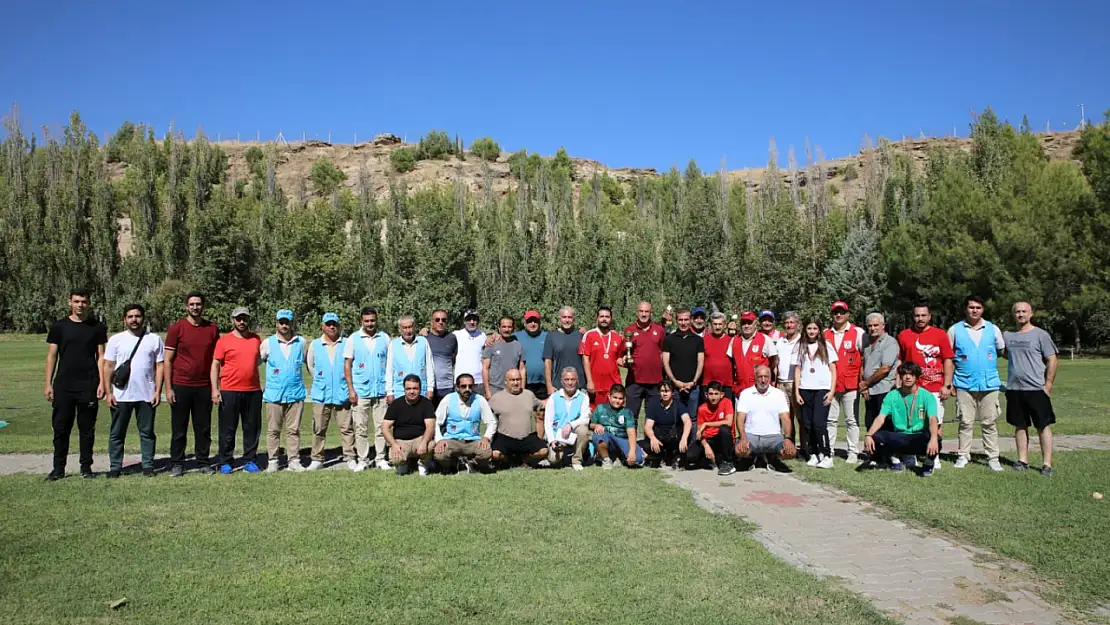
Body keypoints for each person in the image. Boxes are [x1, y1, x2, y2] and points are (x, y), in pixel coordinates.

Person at [44, 289, 108, 481]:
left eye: (84, 302)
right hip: (63, 386)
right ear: (70, 302)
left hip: (88, 385)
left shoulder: (97, 327)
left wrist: (102, 383)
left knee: (87, 429)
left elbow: (101, 357)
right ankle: (58, 468)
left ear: (89, 303)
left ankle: (86, 468)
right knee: (61, 428)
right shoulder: (59, 327)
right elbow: (52, 356)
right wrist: (48, 383)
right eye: (77, 301)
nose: (80, 305)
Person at [102, 304, 165, 478]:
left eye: (137, 316)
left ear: (143, 318)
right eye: (130, 316)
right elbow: (108, 366)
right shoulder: (116, 340)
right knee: (117, 433)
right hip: (121, 394)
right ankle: (115, 467)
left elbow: (160, 366)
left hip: (146, 394)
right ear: (124, 319)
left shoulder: (154, 339)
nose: (134, 320)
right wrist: (108, 392)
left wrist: (157, 391)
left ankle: (148, 465)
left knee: (147, 432)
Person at [164, 291, 219, 477]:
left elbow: (215, 360)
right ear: (186, 307)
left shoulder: (212, 328)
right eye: (192, 304)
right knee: (179, 428)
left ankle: (203, 462)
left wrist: (215, 387)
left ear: (203, 306)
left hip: (204, 386)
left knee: (202, 428)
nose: (195, 307)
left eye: (198, 304)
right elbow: (168, 360)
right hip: (181, 385)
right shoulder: (177, 328)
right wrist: (169, 388)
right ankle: (177, 463)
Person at [947, 295, 1005, 472]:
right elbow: (948, 357)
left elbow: (1000, 350)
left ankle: (993, 457)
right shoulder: (955, 330)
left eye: (978, 307)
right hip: (964, 383)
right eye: (971, 307)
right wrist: (949, 383)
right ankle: (963, 455)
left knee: (989, 422)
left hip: (989, 384)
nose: (974, 310)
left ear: (983, 309)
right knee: (965, 422)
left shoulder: (993, 329)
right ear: (966, 309)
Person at [897, 302, 954, 470]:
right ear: (912, 317)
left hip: (935, 387)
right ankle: (911, 455)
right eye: (917, 315)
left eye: (923, 315)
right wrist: (898, 382)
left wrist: (947, 385)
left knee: (935, 422)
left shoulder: (940, 335)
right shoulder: (904, 335)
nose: (920, 318)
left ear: (929, 316)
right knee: (911, 422)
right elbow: (900, 360)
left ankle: (933, 456)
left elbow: (948, 360)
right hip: (911, 388)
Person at [1003, 302, 1058, 476]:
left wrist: (1048, 385)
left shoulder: (1041, 335)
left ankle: (1046, 464)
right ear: (1013, 315)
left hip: (1036, 389)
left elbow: (1052, 359)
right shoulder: (1007, 335)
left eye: (1024, 311)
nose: (1020, 314)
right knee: (1020, 426)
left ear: (1031, 313)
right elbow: (1002, 353)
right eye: (1017, 312)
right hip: (1014, 388)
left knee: (1043, 426)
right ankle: (1022, 460)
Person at [211, 307, 264, 474]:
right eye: (238, 319)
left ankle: (250, 460)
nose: (242, 322)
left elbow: (259, 361)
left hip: (253, 390)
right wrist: (215, 389)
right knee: (228, 429)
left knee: (252, 428)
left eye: (245, 318)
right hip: (229, 390)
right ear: (232, 320)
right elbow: (215, 365)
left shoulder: (256, 339)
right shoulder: (224, 341)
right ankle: (226, 461)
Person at [863, 362, 940, 475]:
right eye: (904, 374)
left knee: (937, 439)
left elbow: (933, 419)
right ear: (900, 377)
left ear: (917, 377)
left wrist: (933, 438)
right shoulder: (892, 395)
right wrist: (868, 435)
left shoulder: (927, 396)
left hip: (918, 436)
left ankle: (928, 463)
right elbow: (881, 417)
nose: (908, 377)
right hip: (899, 436)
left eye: (911, 374)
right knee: (876, 436)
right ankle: (894, 460)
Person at [344, 307, 391, 471]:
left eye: (372, 320)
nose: (370, 324)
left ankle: (380, 458)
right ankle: (363, 459)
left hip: (381, 390)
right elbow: (347, 365)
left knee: (381, 427)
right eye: (367, 321)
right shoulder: (353, 339)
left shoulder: (384, 338)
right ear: (361, 322)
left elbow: (390, 364)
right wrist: (351, 390)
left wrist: (389, 388)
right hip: (361, 391)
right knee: (360, 427)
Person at [260, 309, 307, 473]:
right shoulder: (267, 343)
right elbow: (257, 362)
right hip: (274, 395)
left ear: (292, 323)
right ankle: (273, 460)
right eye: (281, 322)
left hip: (295, 394)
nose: (284, 325)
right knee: (273, 430)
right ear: (276, 323)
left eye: (287, 322)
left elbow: (309, 362)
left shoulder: (301, 342)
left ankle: (293, 460)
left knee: (293, 430)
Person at [306, 312, 352, 471]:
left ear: (338, 325)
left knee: (347, 428)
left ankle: (350, 456)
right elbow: (310, 366)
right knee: (319, 428)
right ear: (322, 326)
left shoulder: (347, 343)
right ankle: (317, 458)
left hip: (342, 392)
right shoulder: (315, 344)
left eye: (334, 324)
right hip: (322, 394)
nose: (332, 327)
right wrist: (322, 379)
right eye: (328, 324)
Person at [792, 317, 838, 469]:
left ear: (819, 330)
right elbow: (797, 370)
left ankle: (827, 455)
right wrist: (797, 392)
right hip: (805, 389)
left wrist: (831, 391)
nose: (812, 331)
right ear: (805, 329)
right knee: (807, 424)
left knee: (819, 424)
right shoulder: (800, 346)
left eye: (815, 328)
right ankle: (813, 453)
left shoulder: (826, 346)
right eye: (809, 328)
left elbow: (833, 369)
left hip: (822, 389)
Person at [734, 365, 796, 473]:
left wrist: (788, 438)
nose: (763, 380)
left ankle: (772, 457)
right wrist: (743, 438)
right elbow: (740, 418)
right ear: (755, 377)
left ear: (770, 377)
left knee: (791, 453)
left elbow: (786, 419)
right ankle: (752, 457)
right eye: (760, 377)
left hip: (773, 436)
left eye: (766, 377)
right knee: (739, 451)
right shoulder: (745, 394)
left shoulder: (779, 394)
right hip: (751, 435)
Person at [825, 301, 865, 464]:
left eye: (842, 312)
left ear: (848, 314)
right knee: (830, 419)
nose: (838, 315)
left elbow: (865, 356)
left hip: (851, 384)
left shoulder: (858, 332)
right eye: (836, 312)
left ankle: (853, 452)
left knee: (852, 420)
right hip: (831, 384)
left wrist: (863, 381)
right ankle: (829, 449)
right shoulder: (825, 333)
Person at [433, 374, 496, 472]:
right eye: (463, 386)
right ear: (457, 388)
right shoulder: (448, 399)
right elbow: (436, 422)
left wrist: (486, 438)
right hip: (452, 440)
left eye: (470, 386)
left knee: (486, 453)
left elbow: (492, 422)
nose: (467, 389)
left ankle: (470, 464)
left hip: (473, 441)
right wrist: (439, 440)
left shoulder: (480, 400)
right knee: (440, 454)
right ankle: (454, 465)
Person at [489, 369, 548, 468]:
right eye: (512, 380)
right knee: (495, 454)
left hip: (526, 437)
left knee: (544, 451)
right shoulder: (496, 398)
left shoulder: (529, 395)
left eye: (518, 380)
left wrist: (557, 396)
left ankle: (525, 459)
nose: (516, 383)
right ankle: (510, 460)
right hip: (505, 437)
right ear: (506, 382)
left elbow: (541, 406)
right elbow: (485, 416)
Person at [381, 374, 435, 476]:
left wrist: (424, 442)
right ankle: (403, 464)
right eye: (408, 388)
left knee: (431, 444)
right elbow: (384, 427)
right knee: (396, 459)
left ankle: (423, 464)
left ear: (420, 389)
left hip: (419, 439)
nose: (411, 391)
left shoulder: (426, 403)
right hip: (401, 441)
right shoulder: (396, 404)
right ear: (404, 389)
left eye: (415, 388)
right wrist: (393, 444)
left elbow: (430, 426)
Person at [623, 301, 666, 420]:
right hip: (634, 381)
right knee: (631, 417)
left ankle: (649, 439)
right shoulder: (629, 330)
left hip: (655, 381)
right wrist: (625, 359)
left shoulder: (660, 330)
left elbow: (663, 352)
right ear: (637, 313)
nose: (644, 314)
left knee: (652, 417)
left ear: (651, 313)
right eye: (641, 311)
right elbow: (623, 353)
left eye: (646, 311)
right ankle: (631, 439)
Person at [543, 367, 592, 471]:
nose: (570, 383)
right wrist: (552, 440)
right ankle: (558, 454)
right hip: (557, 435)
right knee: (554, 460)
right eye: (567, 380)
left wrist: (570, 425)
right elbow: (548, 421)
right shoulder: (553, 397)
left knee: (583, 430)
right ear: (561, 381)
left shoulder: (583, 397)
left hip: (573, 433)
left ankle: (576, 460)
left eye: (572, 379)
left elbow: (585, 418)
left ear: (577, 381)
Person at [860, 312, 898, 442]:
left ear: (883, 326)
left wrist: (866, 383)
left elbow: (885, 369)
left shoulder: (890, 342)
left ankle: (889, 455)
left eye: (876, 325)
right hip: (870, 391)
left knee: (885, 423)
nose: (872, 328)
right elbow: (863, 364)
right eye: (869, 326)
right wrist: (864, 385)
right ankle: (875, 456)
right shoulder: (867, 342)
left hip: (884, 389)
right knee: (870, 421)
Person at [638, 380, 693, 468]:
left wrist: (684, 438)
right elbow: (648, 426)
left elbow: (687, 421)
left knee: (688, 452)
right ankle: (657, 457)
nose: (664, 394)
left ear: (672, 392)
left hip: (674, 439)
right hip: (659, 440)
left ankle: (674, 456)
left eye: (667, 391)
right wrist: (652, 438)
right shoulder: (654, 405)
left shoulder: (678, 404)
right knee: (638, 445)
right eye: (662, 391)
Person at [662, 308, 704, 423]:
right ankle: (675, 441)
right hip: (674, 387)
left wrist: (693, 382)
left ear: (690, 320)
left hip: (693, 387)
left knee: (692, 418)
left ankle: (692, 441)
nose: (683, 323)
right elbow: (665, 362)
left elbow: (700, 362)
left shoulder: (698, 340)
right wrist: (675, 381)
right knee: (674, 418)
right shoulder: (669, 339)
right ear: (676, 321)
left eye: (686, 319)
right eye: (680, 320)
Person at [579, 306, 626, 408]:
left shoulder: (617, 337)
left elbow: (618, 359)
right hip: (596, 385)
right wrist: (590, 381)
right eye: (602, 316)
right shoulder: (589, 335)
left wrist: (625, 361)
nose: (604, 319)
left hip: (614, 385)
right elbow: (585, 359)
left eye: (607, 317)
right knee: (596, 416)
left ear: (611, 319)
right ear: (597, 318)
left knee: (614, 417)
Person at [588, 383, 642, 469]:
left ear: (624, 399)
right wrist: (596, 425)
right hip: (606, 438)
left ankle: (620, 457)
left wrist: (632, 451)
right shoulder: (600, 408)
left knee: (638, 459)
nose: (617, 401)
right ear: (609, 396)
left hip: (622, 440)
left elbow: (631, 432)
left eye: (620, 398)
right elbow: (590, 424)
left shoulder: (627, 412)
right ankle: (606, 460)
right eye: (615, 397)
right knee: (597, 436)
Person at [774, 312, 804, 450]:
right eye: (787, 323)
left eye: (792, 322)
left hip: (796, 383)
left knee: (801, 417)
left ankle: (804, 447)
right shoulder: (780, 341)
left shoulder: (803, 341)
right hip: (781, 383)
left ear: (797, 325)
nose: (789, 325)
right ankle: (789, 446)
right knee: (785, 417)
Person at [728, 310, 777, 396]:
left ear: (755, 324)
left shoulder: (765, 339)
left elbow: (774, 360)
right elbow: (730, 362)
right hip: (740, 390)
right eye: (744, 323)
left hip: (760, 389)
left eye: (749, 323)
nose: (746, 326)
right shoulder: (734, 340)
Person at [543, 306, 585, 397]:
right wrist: (549, 385)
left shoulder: (581, 335)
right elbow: (547, 362)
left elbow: (587, 360)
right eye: (564, 317)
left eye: (570, 317)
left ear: (573, 319)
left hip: (579, 385)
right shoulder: (551, 336)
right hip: (558, 386)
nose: (567, 320)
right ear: (560, 318)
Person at [696, 381, 737, 475]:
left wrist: (707, 424)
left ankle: (728, 462)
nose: (713, 397)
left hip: (722, 439)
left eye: (716, 394)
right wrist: (706, 446)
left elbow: (729, 422)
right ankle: (710, 459)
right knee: (691, 457)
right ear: (706, 395)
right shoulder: (702, 408)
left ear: (722, 395)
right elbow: (699, 432)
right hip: (708, 439)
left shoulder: (727, 403)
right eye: (710, 394)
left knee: (724, 429)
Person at [482, 316, 524, 399]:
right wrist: (487, 391)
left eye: (509, 327)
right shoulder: (491, 344)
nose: (506, 329)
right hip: (495, 389)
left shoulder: (518, 346)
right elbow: (485, 368)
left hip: (513, 390)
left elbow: (522, 369)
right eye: (504, 327)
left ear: (513, 328)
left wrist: (522, 390)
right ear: (499, 328)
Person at [424, 309, 458, 407]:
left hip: (446, 386)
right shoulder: (425, 339)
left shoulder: (452, 338)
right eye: (437, 320)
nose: (441, 322)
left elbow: (453, 358)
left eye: (444, 320)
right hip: (429, 387)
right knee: (429, 418)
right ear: (431, 322)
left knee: (446, 419)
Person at [515, 310, 549, 400]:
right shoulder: (516, 336)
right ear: (525, 323)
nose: (533, 324)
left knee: (543, 411)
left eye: (535, 321)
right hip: (524, 383)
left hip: (543, 383)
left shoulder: (547, 336)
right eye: (529, 321)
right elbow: (503, 337)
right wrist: (492, 336)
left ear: (539, 322)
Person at [701, 312, 735, 400]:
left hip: (726, 384)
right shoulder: (704, 340)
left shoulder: (732, 340)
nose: (717, 327)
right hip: (708, 383)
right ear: (711, 325)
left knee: (726, 412)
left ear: (724, 325)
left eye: (720, 324)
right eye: (715, 324)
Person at [452, 309, 487, 388]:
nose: (472, 322)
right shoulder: (456, 335)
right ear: (464, 321)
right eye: (469, 319)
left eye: (474, 319)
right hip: (461, 381)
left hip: (479, 381)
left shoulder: (483, 336)